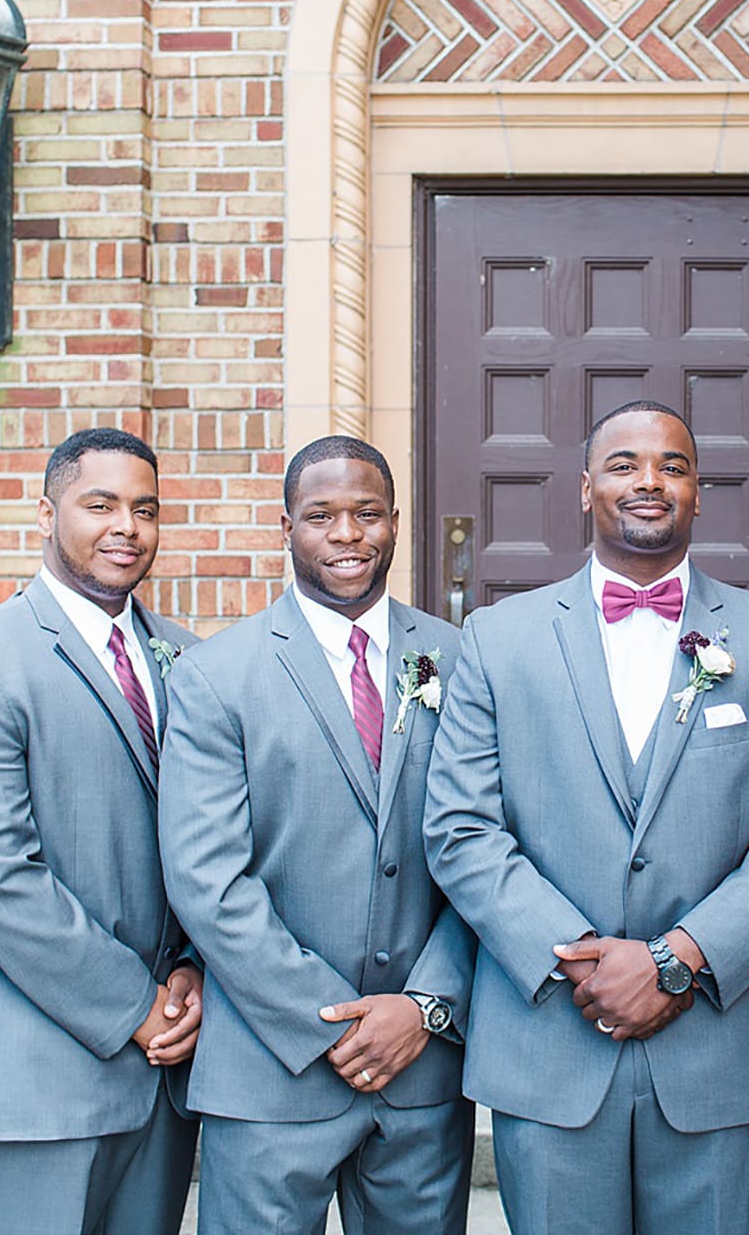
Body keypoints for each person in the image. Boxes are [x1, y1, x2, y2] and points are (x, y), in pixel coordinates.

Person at [423, 400, 749, 1235]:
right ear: (585, 488)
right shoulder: (497, 638)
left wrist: (678, 959)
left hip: (723, 1047)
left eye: (673, 466)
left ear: (698, 492)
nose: (649, 481)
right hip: (552, 1036)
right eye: (623, 464)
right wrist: (584, 962)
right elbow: (462, 827)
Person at [159, 435, 475, 1233]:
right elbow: (208, 880)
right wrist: (328, 1019)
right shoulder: (214, 676)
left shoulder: (462, 659)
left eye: (367, 514)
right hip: (272, 1071)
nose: (347, 534)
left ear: (396, 522)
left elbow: (489, 848)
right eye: (322, 515)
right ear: (285, 526)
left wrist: (424, 1007)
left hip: (422, 1072)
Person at [0, 427, 201, 1235]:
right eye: (99, 504)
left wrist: (195, 969)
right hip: (37, 1079)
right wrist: (136, 1005)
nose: (126, 527)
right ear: (45, 512)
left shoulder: (188, 657)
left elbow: (214, 840)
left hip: (165, 1073)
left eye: (145, 509)